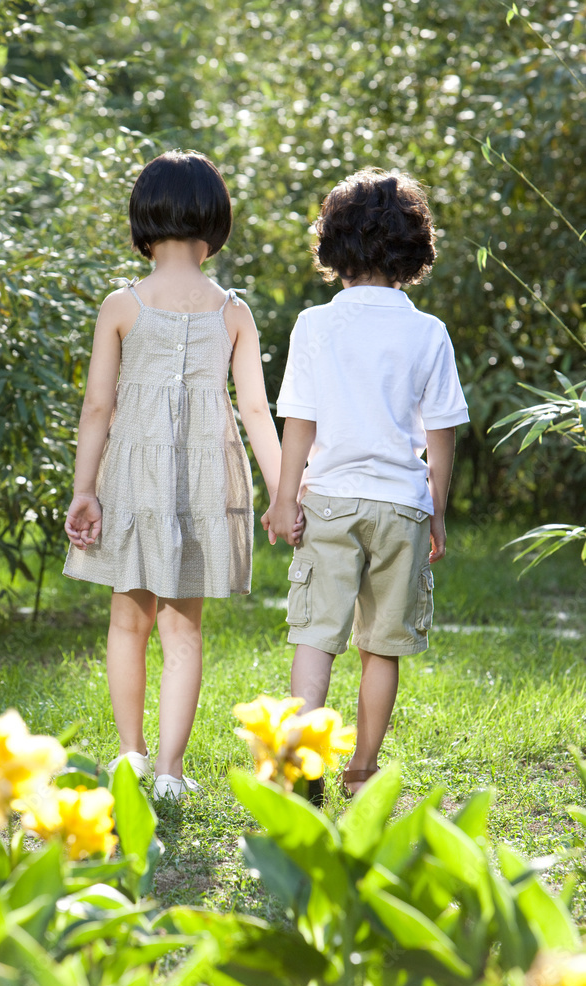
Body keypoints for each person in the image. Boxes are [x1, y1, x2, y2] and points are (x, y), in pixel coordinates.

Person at [64, 150, 301, 800]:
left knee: (125, 622)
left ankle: (131, 757)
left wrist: (85, 489)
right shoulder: (233, 311)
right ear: (214, 223)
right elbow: (255, 408)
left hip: (132, 477)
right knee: (183, 629)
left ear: (143, 218)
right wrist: (284, 492)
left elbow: (97, 407)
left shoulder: (122, 304)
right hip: (204, 480)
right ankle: (169, 771)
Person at [264, 167, 469, 798]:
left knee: (316, 638)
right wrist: (436, 511)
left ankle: (302, 767)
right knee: (382, 648)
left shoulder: (314, 325)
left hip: (328, 501)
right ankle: (361, 771)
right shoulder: (427, 332)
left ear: (333, 244)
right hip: (401, 507)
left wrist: (282, 499)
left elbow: (299, 424)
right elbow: (441, 435)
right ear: (414, 247)